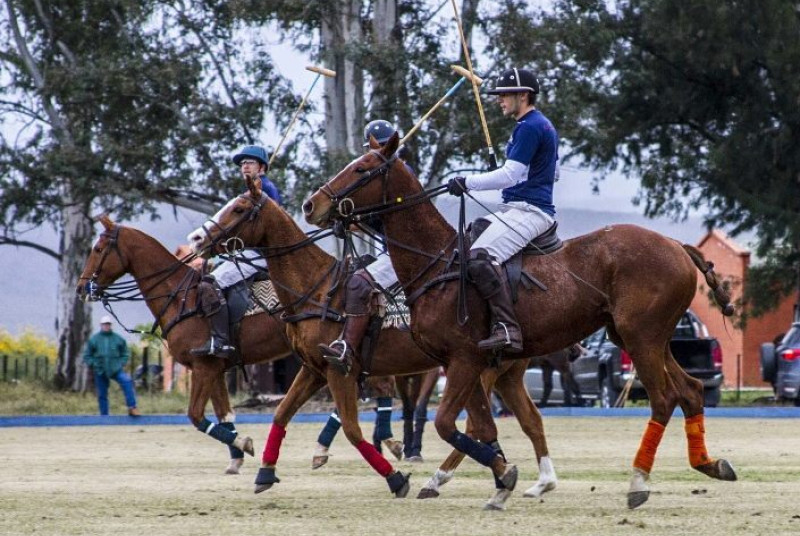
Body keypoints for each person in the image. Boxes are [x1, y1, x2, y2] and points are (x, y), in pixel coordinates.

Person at [446, 67, 559, 353]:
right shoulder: (537, 124)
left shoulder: (530, 126)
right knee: (468, 239)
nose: (499, 100)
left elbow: (509, 176)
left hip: (531, 211)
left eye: (505, 94)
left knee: (479, 258)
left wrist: (467, 182)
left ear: (523, 95)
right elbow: (552, 172)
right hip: (517, 209)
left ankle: (508, 328)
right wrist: (511, 171)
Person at [318, 119, 408, 376]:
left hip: (403, 254)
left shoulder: (400, 173)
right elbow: (375, 217)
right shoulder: (378, 174)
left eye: (382, 146)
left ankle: (347, 347)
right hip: (386, 251)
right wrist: (348, 222)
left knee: (358, 284)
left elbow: (387, 216)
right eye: (372, 148)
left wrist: (356, 219)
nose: (376, 151)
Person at [190, 145, 282, 359]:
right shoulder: (253, 190)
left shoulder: (265, 189)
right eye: (242, 164)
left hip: (259, 254)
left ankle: (221, 340)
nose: (244, 166)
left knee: (211, 283)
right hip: (247, 253)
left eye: (250, 162)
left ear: (262, 167)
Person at [83, 315, 140, 416]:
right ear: (101, 325)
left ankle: (132, 407)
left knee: (127, 381)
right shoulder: (94, 339)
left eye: (108, 324)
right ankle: (104, 416)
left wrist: (121, 363)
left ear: (111, 325)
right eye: (104, 324)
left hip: (115, 369)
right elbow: (87, 356)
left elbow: (125, 353)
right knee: (102, 394)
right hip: (100, 370)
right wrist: (94, 364)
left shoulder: (118, 339)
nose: (106, 326)